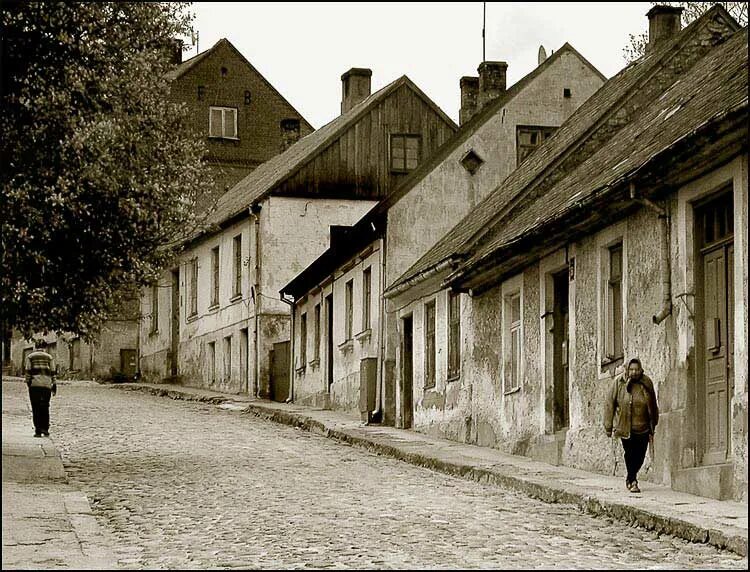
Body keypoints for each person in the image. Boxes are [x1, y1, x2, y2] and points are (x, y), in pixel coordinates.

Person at [603, 358, 659, 493]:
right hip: (626, 426)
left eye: (636, 369)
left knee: (640, 455)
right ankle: (632, 480)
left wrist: (654, 422)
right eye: (631, 369)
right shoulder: (618, 383)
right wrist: (608, 426)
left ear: (641, 370)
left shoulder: (646, 382)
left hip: (643, 427)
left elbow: (653, 403)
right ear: (627, 369)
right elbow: (609, 404)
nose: (634, 372)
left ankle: (630, 477)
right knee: (630, 454)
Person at [24, 341, 57, 438]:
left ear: (35, 347)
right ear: (45, 347)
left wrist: (29, 382)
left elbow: (28, 371)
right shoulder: (49, 357)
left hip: (35, 385)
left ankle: (38, 430)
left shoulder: (31, 357)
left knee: (35, 407)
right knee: (45, 406)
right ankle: (45, 429)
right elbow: (53, 371)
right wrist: (54, 384)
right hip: (46, 385)